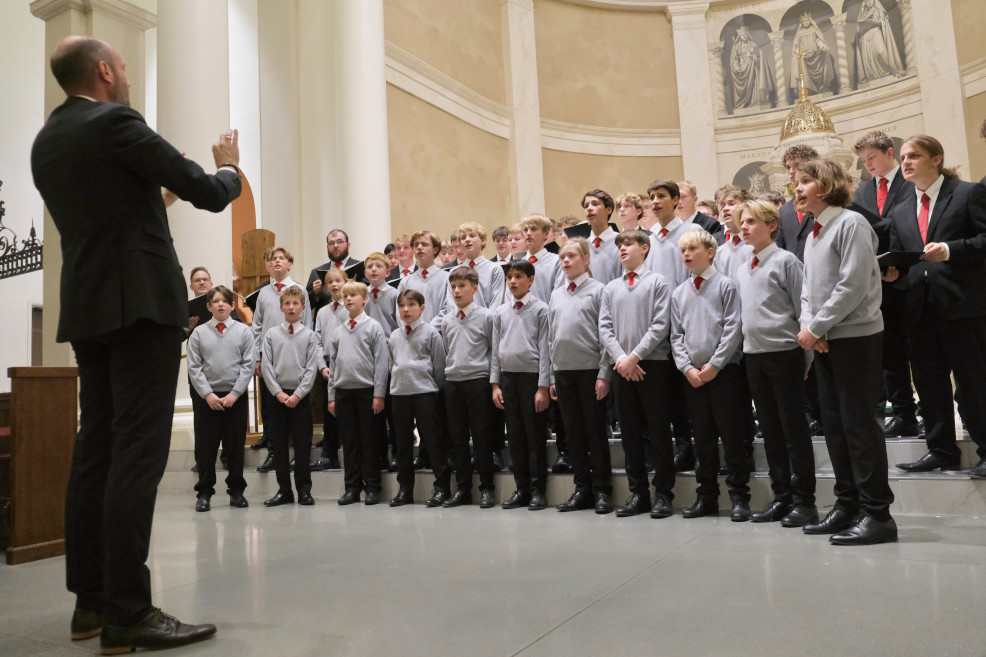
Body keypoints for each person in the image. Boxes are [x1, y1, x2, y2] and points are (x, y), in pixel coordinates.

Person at [31, 35, 240, 651]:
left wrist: (157, 194)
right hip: (142, 308)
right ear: (102, 71)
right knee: (137, 454)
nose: (124, 76)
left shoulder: (49, 140)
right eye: (121, 67)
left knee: (94, 449)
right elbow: (207, 190)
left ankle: (90, 605)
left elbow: (112, 209)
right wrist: (229, 166)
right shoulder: (117, 120)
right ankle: (129, 610)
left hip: (90, 307)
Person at [795, 158, 897, 545]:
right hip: (825, 339)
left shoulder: (851, 224)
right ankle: (847, 504)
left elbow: (852, 285)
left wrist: (816, 327)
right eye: (797, 182)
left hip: (855, 338)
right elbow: (808, 290)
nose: (798, 188)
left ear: (826, 185)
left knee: (859, 426)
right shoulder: (814, 233)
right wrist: (811, 328)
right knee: (835, 426)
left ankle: (878, 514)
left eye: (806, 181)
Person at [884, 135, 986, 479]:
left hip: (963, 307)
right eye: (902, 157)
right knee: (929, 385)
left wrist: (951, 250)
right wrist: (892, 273)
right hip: (919, 309)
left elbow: (984, 240)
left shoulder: (968, 193)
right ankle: (941, 450)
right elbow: (904, 257)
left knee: (973, 383)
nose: (906, 162)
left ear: (936, 159)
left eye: (914, 155)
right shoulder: (900, 210)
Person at [734, 200, 818, 527]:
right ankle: (781, 497)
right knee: (769, 430)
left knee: (793, 429)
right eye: (742, 222)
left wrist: (806, 356)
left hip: (785, 355)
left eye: (751, 221)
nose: (744, 227)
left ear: (771, 226)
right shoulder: (743, 267)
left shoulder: (786, 261)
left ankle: (804, 501)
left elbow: (803, 309)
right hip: (754, 357)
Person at [671, 230, 750, 521]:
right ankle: (707, 497)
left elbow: (733, 328)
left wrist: (715, 365)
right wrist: (687, 368)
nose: (687, 255)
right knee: (701, 438)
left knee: (732, 436)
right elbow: (676, 335)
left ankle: (739, 497)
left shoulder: (726, 286)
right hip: (693, 376)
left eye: (692, 248)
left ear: (711, 251)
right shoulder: (679, 292)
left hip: (724, 372)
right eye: (683, 251)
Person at [598, 230, 676, 519]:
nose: (622, 249)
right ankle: (638, 493)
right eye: (619, 245)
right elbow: (604, 328)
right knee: (630, 433)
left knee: (657, 431)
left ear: (645, 248)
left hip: (650, 365)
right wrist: (621, 358)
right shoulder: (610, 288)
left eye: (628, 244)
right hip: (622, 367)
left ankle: (663, 495)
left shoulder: (658, 282)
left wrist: (634, 356)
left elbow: (660, 325)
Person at [852, 130, 919, 439]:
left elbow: (911, 226)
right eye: (863, 161)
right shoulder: (863, 193)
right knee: (889, 354)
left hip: (911, 277)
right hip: (877, 282)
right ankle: (903, 413)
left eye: (872, 158)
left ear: (889, 153)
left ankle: (928, 413)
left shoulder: (910, 182)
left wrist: (896, 266)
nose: (868, 165)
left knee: (919, 353)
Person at [549, 238, 614, 514]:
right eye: (562, 256)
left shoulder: (600, 291)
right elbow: (552, 336)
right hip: (563, 373)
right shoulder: (556, 293)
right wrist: (552, 375)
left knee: (594, 433)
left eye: (572, 256)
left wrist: (604, 373)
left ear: (586, 259)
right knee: (573, 435)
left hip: (590, 372)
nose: (565, 261)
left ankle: (602, 491)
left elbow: (606, 335)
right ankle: (582, 489)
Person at [645, 180, 699, 472]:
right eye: (652, 197)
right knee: (662, 394)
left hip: (681, 320)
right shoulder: (647, 237)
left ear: (677, 200)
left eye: (661, 196)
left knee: (683, 392)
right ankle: (672, 447)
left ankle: (688, 446)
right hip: (654, 324)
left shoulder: (689, 234)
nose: (655, 202)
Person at [186, 285, 254, 512]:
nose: (221, 305)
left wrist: (235, 393)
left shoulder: (244, 332)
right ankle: (204, 493)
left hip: (235, 397)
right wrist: (208, 395)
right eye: (216, 301)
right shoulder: (199, 333)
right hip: (208, 399)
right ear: (209, 306)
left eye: (225, 301)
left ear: (233, 305)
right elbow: (194, 368)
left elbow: (247, 365)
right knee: (205, 448)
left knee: (235, 447)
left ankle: (236, 491)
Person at [491, 260, 552, 510]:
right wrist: (495, 384)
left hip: (531, 380)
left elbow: (546, 349)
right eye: (509, 277)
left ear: (531, 279)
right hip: (508, 379)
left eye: (518, 276)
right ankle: (521, 488)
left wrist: (543, 386)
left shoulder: (541, 310)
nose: (513, 281)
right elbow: (495, 350)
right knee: (515, 437)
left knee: (534, 436)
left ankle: (538, 490)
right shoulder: (501, 312)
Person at [327, 281, 390, 505]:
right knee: (350, 443)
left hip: (367, 392)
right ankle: (352, 488)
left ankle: (372, 487)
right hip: (344, 393)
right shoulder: (338, 331)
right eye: (346, 297)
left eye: (354, 296)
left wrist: (379, 394)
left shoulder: (373, 327)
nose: (349, 300)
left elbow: (381, 363)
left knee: (369, 441)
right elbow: (333, 367)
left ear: (364, 299)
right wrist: (331, 396)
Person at [252, 247, 312, 473]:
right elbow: (257, 326)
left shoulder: (298, 291)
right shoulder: (264, 294)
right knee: (270, 409)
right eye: (272, 259)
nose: (276, 261)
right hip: (269, 359)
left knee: (299, 414)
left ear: (289, 264)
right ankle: (274, 453)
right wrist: (257, 357)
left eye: (281, 258)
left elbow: (308, 325)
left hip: (296, 358)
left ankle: (299, 455)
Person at [442, 267, 499, 508]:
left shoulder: (486, 316)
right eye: (453, 286)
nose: (456, 291)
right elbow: (448, 349)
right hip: (453, 383)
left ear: (474, 288)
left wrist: (494, 382)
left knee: (482, 438)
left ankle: (487, 489)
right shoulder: (447, 319)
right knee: (458, 439)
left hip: (478, 382)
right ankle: (463, 489)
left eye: (462, 286)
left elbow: (494, 351)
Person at [387, 289, 450, 506]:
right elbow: (392, 364)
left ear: (422, 308)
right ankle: (405, 491)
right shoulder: (394, 336)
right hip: (400, 395)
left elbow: (439, 367)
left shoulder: (431, 333)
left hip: (424, 394)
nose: (406, 309)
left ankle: (442, 488)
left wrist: (431, 387)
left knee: (433, 442)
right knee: (403, 445)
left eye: (411, 305)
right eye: (402, 305)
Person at [261, 285, 319, 508]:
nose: (292, 307)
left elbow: (311, 368)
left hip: (300, 397)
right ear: (281, 307)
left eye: (296, 303)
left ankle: (304, 490)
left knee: (303, 446)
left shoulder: (309, 336)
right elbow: (267, 366)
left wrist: (297, 395)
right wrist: (277, 392)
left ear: (303, 308)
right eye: (287, 303)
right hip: (277, 398)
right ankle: (284, 491)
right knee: (280, 447)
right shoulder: (272, 335)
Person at [310, 267, 350, 472]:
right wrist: (322, 366)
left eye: (338, 281)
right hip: (327, 367)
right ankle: (329, 454)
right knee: (329, 411)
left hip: (347, 367)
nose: (334, 285)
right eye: (330, 282)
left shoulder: (352, 308)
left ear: (346, 282)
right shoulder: (323, 312)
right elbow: (317, 341)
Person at [397, 231, 454, 328]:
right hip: (411, 335)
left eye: (424, 244)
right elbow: (399, 312)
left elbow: (448, 309)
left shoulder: (447, 278)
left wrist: (427, 331)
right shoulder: (405, 282)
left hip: (437, 336)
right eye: (416, 245)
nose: (419, 247)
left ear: (435, 249)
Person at [775, 145, 820, 261]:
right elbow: (779, 247)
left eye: (796, 165)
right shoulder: (784, 210)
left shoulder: (822, 202)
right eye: (788, 167)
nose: (791, 171)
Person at [308, 229, 364, 315]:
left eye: (340, 242)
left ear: (348, 245)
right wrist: (315, 293)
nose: (335, 246)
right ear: (327, 247)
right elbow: (305, 306)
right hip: (325, 322)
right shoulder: (317, 272)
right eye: (331, 243)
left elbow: (369, 298)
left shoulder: (360, 268)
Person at [458, 221, 506, 308]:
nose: (467, 240)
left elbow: (497, 303)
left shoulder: (494, 269)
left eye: (472, 236)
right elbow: (451, 304)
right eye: (463, 238)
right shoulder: (454, 272)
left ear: (483, 240)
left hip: (487, 320)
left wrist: (485, 320)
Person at [854, 0, 904, 84]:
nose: (868, 2)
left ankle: (892, 71)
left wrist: (874, 22)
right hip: (865, 37)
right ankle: (873, 76)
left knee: (881, 51)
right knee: (868, 58)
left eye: (870, 0)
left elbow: (883, 22)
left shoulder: (879, 10)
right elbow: (858, 30)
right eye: (866, 1)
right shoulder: (862, 13)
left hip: (875, 31)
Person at [582, 189, 622, 285]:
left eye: (595, 204)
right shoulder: (582, 247)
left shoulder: (622, 242)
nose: (589, 208)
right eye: (586, 206)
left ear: (609, 209)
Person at [790, 13, 836, 94]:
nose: (806, 22)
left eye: (808, 20)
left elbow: (817, 40)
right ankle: (810, 90)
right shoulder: (799, 33)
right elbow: (798, 45)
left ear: (810, 21)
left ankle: (822, 87)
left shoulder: (814, 30)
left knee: (823, 65)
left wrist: (822, 47)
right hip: (805, 57)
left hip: (817, 56)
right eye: (804, 21)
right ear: (802, 23)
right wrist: (798, 52)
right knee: (801, 67)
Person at [730, 25, 775, 109]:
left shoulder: (753, 43)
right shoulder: (737, 46)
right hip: (743, 70)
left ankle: (757, 102)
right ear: (739, 36)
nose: (744, 36)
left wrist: (755, 56)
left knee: (755, 85)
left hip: (754, 68)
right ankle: (745, 103)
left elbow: (759, 56)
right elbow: (734, 59)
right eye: (742, 34)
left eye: (745, 34)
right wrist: (737, 67)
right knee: (746, 88)